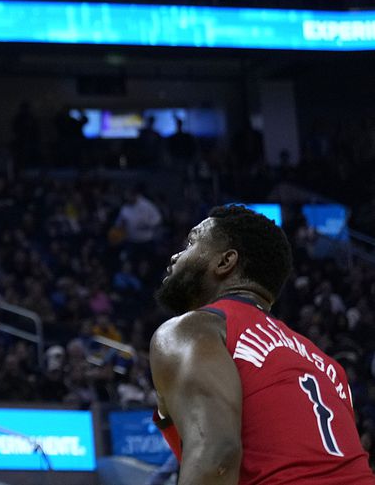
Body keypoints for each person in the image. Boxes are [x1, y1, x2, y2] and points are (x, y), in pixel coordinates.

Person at [150, 205, 375, 483]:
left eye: (192, 243)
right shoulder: (328, 366)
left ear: (225, 262)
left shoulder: (194, 329)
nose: (175, 255)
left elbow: (217, 457)